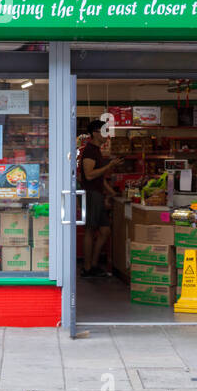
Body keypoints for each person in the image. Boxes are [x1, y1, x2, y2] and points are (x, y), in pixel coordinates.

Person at [78, 119, 121, 277]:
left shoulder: (96, 150)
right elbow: (89, 175)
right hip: (91, 194)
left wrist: (112, 193)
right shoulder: (90, 151)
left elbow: (100, 178)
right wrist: (109, 166)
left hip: (98, 193)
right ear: (95, 133)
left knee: (105, 231)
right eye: (104, 131)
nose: (107, 135)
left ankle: (94, 265)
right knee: (90, 230)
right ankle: (87, 268)